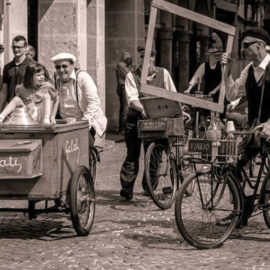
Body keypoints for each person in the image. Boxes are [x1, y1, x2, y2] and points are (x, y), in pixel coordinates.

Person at [222, 27, 270, 225]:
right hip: (253, 130)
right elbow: (233, 94)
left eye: (246, 45)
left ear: (259, 45)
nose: (243, 50)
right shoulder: (249, 70)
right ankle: (241, 209)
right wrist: (226, 71)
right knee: (229, 163)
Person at [119, 46, 177, 201]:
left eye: (149, 57)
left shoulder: (163, 73)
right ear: (139, 58)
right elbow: (132, 99)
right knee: (132, 154)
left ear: (154, 58)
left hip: (156, 119)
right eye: (143, 57)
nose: (146, 60)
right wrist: (143, 109)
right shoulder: (132, 75)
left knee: (154, 155)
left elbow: (172, 94)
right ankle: (127, 188)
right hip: (136, 118)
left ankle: (149, 186)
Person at [51, 52, 107, 146]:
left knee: (84, 150)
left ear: (72, 65)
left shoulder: (82, 77)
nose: (61, 70)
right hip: (64, 123)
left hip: (85, 121)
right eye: (58, 67)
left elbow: (94, 102)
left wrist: (83, 124)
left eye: (64, 66)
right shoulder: (55, 78)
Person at [0, 35, 35, 112]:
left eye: (19, 47)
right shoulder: (7, 67)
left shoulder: (33, 65)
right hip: (11, 109)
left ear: (25, 48)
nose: (16, 49)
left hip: (27, 109)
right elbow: (4, 91)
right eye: (14, 47)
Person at [116, 51, 133, 135]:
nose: (130, 60)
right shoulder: (121, 65)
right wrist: (132, 68)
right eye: (129, 58)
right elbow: (129, 75)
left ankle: (122, 128)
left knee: (125, 108)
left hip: (124, 88)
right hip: (123, 88)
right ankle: (122, 129)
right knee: (125, 109)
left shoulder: (124, 65)